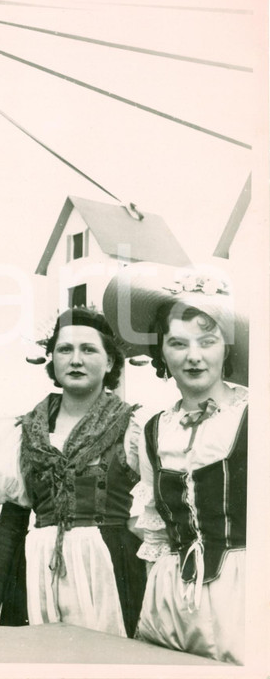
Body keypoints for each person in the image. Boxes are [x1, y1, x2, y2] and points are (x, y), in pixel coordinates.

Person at [103, 262, 248, 663]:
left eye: (208, 341)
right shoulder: (151, 430)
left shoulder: (255, 416)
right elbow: (156, 536)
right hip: (170, 601)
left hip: (245, 594)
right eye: (178, 343)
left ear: (227, 347)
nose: (194, 357)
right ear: (161, 351)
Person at [0, 307, 147, 637]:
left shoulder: (132, 428)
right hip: (36, 574)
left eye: (89, 349)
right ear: (52, 359)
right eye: (65, 349)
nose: (76, 360)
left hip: (110, 573)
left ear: (110, 362)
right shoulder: (27, 432)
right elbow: (12, 523)